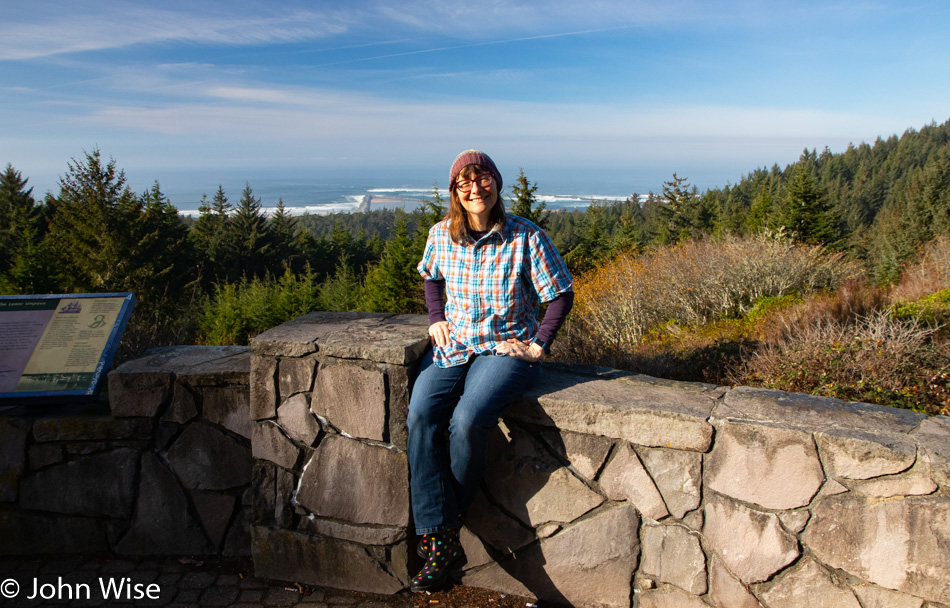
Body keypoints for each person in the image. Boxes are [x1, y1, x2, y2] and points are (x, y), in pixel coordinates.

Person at [407, 150, 574, 592]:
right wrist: (435, 317)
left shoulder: (526, 236)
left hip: (505, 349)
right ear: (455, 192)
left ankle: (443, 527)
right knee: (421, 417)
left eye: (482, 180)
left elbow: (560, 293)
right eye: (465, 183)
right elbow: (431, 277)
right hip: (455, 345)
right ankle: (439, 534)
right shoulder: (441, 234)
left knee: (467, 420)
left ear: (496, 184)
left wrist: (538, 345)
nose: (474, 189)